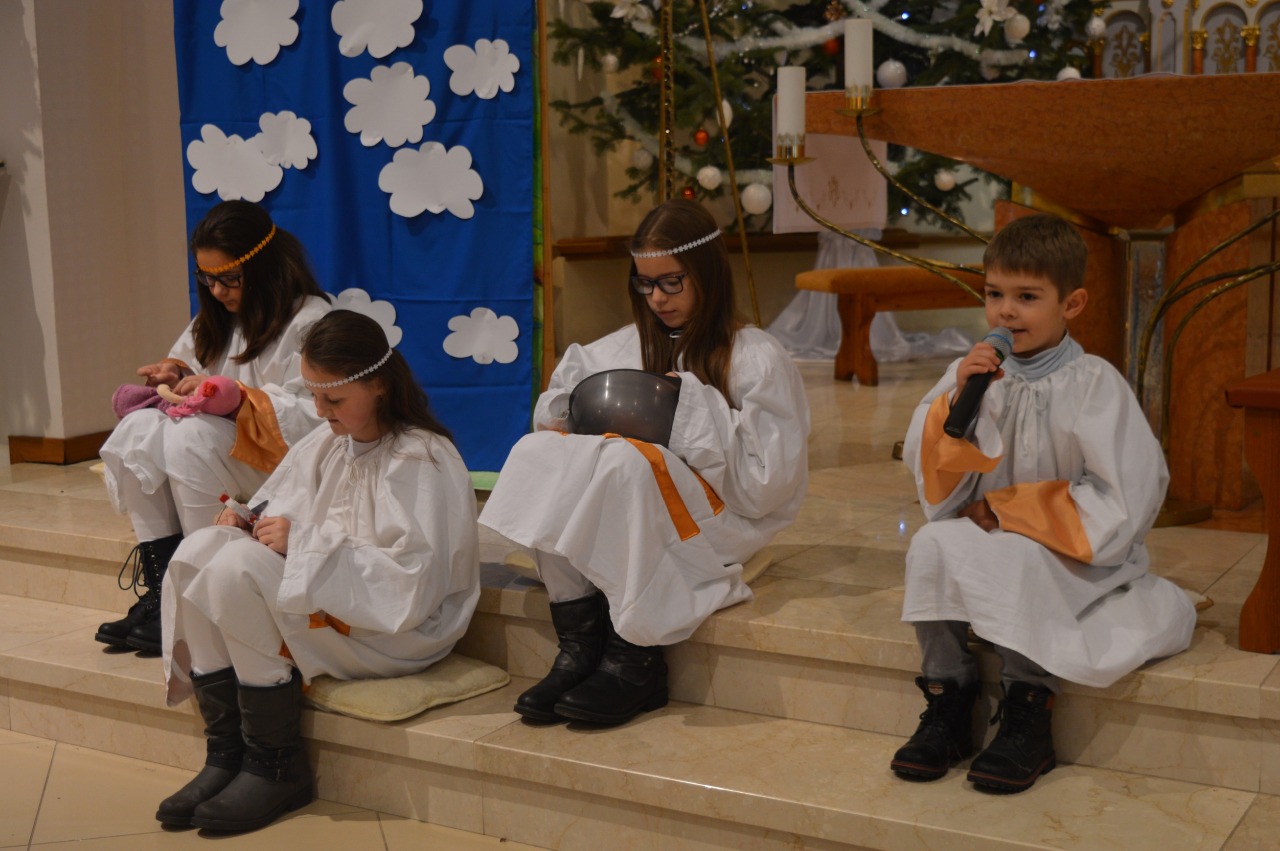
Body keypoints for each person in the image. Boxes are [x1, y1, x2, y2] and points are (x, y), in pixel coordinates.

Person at [892, 214, 1196, 793]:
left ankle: (1029, 708)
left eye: (1027, 297)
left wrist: (1009, 512)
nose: (1006, 313)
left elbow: (1124, 495)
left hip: (1073, 549)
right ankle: (948, 699)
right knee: (930, 543)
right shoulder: (973, 374)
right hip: (994, 533)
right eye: (994, 294)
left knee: (1020, 557)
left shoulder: (1094, 384)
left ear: (1072, 304)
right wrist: (956, 402)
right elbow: (932, 473)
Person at [479, 198, 810, 727]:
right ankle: (580, 647)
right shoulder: (619, 347)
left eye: (672, 282)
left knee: (627, 462)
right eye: (645, 283)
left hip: (722, 520)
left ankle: (635, 658)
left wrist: (690, 411)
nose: (656, 298)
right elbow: (556, 409)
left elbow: (767, 484)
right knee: (541, 451)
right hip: (632, 497)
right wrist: (569, 417)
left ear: (706, 273)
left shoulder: (755, 357)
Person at [155, 309, 480, 832]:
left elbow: (414, 583)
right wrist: (245, 519)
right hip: (332, 601)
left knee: (237, 567)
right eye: (313, 395)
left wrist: (300, 541)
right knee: (202, 550)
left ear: (378, 385)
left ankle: (275, 766)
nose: (319, 411)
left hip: (395, 629)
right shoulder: (327, 440)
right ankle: (227, 753)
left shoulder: (422, 458)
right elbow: (278, 506)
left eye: (334, 399)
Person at [97, 201, 331, 654]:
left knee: (191, 435)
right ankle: (164, 591)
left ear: (262, 266)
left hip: (281, 470)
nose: (218, 290)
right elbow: (191, 367)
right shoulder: (216, 319)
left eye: (230, 278)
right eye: (207, 279)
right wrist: (175, 375)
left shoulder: (309, 320)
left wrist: (237, 399)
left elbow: (317, 415)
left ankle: (200, 593)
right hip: (220, 461)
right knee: (139, 427)